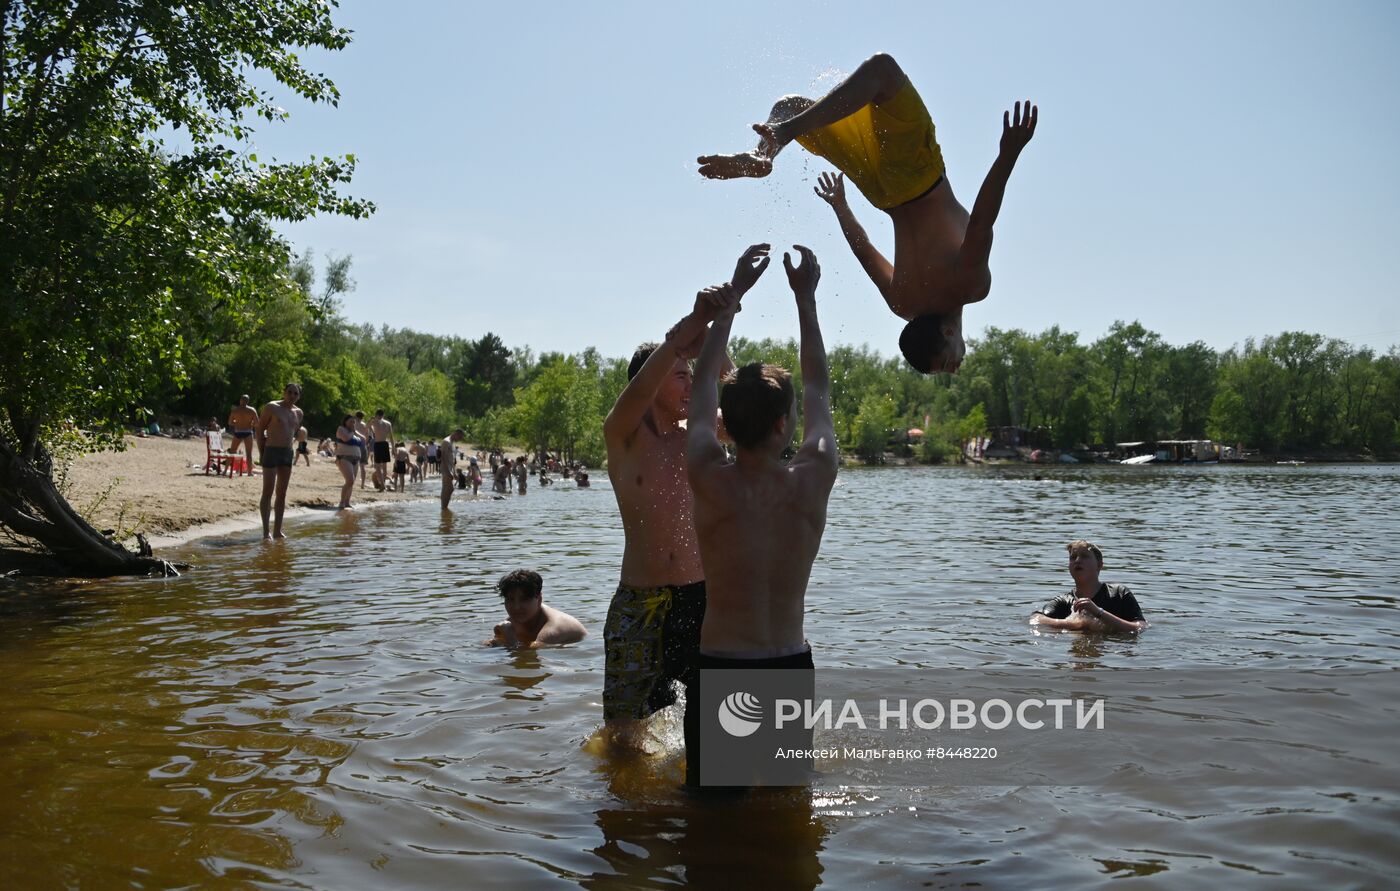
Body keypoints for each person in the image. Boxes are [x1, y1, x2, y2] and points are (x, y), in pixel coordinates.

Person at [698, 54, 1038, 375]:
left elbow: (981, 224)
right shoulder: (901, 304)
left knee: (883, 70)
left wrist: (1007, 155)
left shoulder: (971, 286)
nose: (957, 367)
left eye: (949, 364)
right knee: (791, 107)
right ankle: (765, 152)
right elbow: (863, 249)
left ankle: (777, 140)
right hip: (881, 194)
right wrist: (841, 207)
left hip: (917, 177)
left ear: (949, 333)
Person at [682, 246, 838, 787]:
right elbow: (817, 385)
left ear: (729, 421)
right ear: (782, 427)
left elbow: (701, 387)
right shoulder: (814, 475)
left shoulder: (708, 476)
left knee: (712, 816)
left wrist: (729, 306)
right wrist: (806, 299)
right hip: (789, 663)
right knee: (785, 813)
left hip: (723, 663)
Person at [600, 244, 769, 745]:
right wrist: (689, 328)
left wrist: (729, 306)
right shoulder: (624, 436)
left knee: (717, 719)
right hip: (640, 598)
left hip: (701, 595)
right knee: (624, 735)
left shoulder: (699, 432)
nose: (689, 379)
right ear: (647, 384)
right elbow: (647, 382)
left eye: (691, 373)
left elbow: (745, 402)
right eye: (679, 373)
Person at [1030, 540, 1148, 632]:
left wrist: (1098, 613)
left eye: (1084, 556)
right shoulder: (1064, 601)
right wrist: (1077, 624)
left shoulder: (1119, 593)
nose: (1077, 560)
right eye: (1073, 557)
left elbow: (1141, 627)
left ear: (1099, 565)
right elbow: (1035, 619)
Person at [486, 569, 588, 649]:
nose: (516, 607)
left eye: (524, 599)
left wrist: (510, 637)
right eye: (510, 599)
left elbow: (526, 657)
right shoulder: (518, 618)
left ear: (539, 599)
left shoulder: (553, 629)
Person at [255, 383, 305, 541]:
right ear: (284, 392)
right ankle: (265, 531)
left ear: (298, 396)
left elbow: (294, 432)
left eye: (295, 393)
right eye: (289, 392)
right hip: (271, 450)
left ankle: (277, 530)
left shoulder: (298, 413)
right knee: (268, 491)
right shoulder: (272, 407)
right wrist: (262, 451)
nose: (292, 395)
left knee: (282, 493)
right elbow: (259, 429)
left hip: (287, 453)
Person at [333, 414, 362, 510]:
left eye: (354, 422)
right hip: (344, 458)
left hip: (356, 459)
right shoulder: (341, 429)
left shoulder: (355, 432)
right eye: (350, 421)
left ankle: (347, 502)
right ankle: (341, 502)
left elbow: (364, 439)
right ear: (345, 422)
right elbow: (346, 438)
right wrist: (353, 432)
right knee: (350, 480)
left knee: (351, 482)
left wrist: (357, 432)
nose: (353, 423)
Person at [227, 395, 258, 476]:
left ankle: (225, 470)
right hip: (248, 432)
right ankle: (250, 472)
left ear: (240, 400)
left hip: (238, 431)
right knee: (249, 453)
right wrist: (251, 424)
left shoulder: (235, 410)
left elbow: (230, 422)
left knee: (232, 451)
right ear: (248, 401)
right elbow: (257, 423)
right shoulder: (252, 410)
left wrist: (236, 423)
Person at [439, 428, 465, 509]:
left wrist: (454, 471)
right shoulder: (446, 441)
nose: (459, 439)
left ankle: (444, 508)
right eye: (459, 437)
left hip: (450, 467)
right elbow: (443, 457)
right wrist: (448, 470)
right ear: (456, 434)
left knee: (449, 488)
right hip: (445, 467)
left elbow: (451, 458)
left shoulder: (451, 442)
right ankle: (443, 507)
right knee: (448, 488)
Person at [369, 409, 395, 490]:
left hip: (378, 443)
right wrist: (393, 448)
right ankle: (383, 483)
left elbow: (366, 426)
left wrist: (371, 419)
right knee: (384, 467)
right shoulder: (388, 423)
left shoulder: (375, 421)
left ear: (376, 415)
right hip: (385, 444)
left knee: (377, 466)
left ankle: (382, 485)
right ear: (383, 415)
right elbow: (391, 437)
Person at [353, 411, 371, 488]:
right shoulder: (364, 425)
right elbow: (367, 437)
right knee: (362, 466)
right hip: (363, 446)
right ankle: (362, 484)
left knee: (353, 465)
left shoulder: (353, 424)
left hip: (355, 445)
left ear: (356, 416)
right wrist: (365, 444)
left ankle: (352, 482)